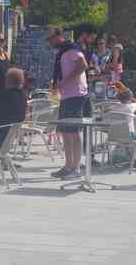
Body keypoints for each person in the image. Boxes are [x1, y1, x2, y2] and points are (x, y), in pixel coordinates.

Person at [50, 24, 94, 179]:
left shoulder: (71, 48)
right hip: (67, 95)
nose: (49, 42)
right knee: (65, 131)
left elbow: (83, 65)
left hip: (76, 95)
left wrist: (64, 82)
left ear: (59, 36)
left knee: (73, 132)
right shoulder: (63, 51)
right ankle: (68, 166)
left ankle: (75, 168)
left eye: (50, 38)